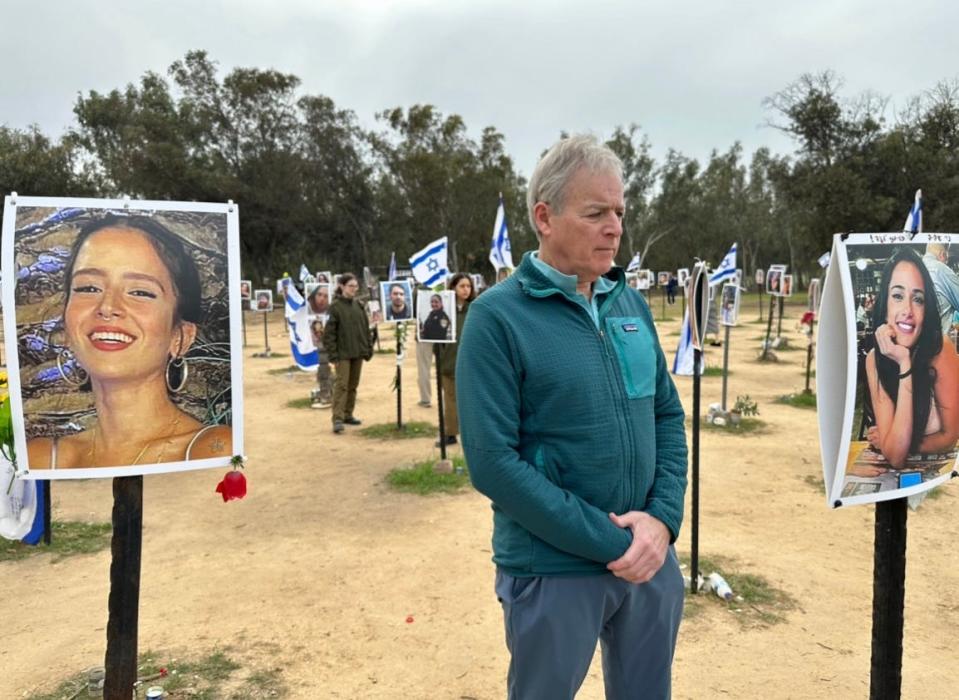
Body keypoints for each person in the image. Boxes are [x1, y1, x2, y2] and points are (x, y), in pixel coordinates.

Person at [457, 135, 687, 699]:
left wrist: (661, 522)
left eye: (620, 212)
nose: (615, 227)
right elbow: (492, 463)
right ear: (545, 217)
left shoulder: (628, 305)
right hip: (553, 571)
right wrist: (613, 545)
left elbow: (665, 415)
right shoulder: (496, 318)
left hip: (651, 561)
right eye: (596, 213)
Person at [27, 215, 232, 469]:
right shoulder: (41, 458)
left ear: (180, 336)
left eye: (140, 292)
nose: (108, 307)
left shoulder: (215, 451)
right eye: (89, 288)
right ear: (67, 326)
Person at [862, 247, 959, 470]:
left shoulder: (941, 349)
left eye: (918, 299)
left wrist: (896, 443)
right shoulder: (874, 359)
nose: (908, 310)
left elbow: (949, 437)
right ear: (885, 304)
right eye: (897, 296)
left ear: (927, 309)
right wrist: (903, 362)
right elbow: (895, 456)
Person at [323, 273, 372, 434]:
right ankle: (337, 418)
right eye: (351, 286)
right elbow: (329, 335)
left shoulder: (359, 306)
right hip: (342, 354)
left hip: (357, 352)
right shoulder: (335, 307)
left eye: (356, 286)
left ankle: (348, 414)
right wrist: (333, 356)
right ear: (342, 286)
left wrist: (368, 349)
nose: (354, 289)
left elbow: (365, 329)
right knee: (342, 385)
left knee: (353, 386)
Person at [436, 273, 473, 447]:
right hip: (449, 363)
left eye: (468, 286)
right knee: (450, 400)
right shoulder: (443, 311)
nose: (466, 290)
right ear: (453, 288)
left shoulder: (476, 309)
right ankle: (450, 433)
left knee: (471, 400)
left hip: (471, 364)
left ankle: (474, 433)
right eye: (462, 286)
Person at [922, 242, 959, 337]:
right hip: (937, 344)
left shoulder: (915, 268)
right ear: (942, 255)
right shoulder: (941, 269)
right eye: (946, 260)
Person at [310, 318, 333, 409]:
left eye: (319, 325)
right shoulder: (315, 337)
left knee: (327, 376)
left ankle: (327, 396)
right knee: (323, 376)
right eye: (316, 326)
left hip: (326, 357)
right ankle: (326, 395)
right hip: (322, 358)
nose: (318, 327)